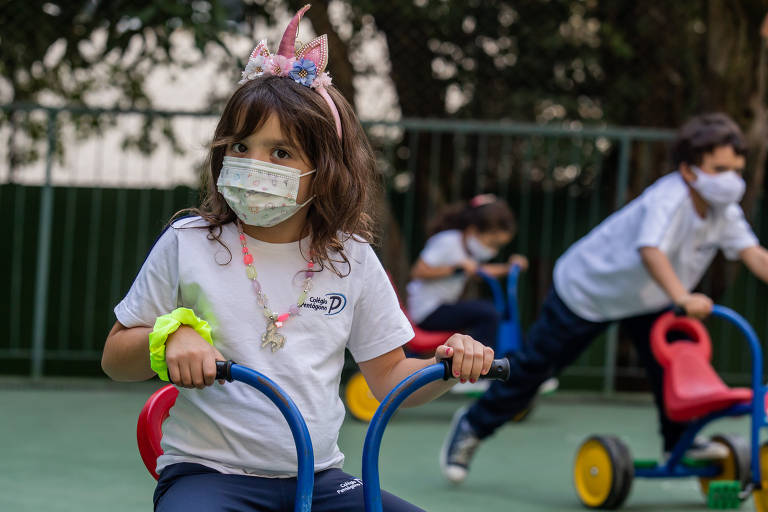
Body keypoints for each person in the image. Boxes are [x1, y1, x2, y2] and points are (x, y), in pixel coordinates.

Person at [100, 6, 494, 511]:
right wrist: (169, 337)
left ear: (325, 170)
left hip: (319, 478)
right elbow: (115, 358)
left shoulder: (350, 259)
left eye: (280, 153)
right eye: (240, 146)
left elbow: (391, 378)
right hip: (209, 475)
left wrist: (446, 365)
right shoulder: (189, 242)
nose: (252, 164)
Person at [440, 112, 768, 485]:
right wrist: (682, 296)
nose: (731, 181)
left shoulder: (724, 211)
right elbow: (650, 249)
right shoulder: (669, 197)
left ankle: (679, 443)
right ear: (689, 171)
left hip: (649, 299)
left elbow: (754, 254)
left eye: (737, 170)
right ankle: (472, 426)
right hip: (587, 291)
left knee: (674, 368)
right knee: (535, 369)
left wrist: (675, 296)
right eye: (720, 168)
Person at [407, 194, 528, 361]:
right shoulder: (448, 241)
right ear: (472, 231)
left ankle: (513, 361)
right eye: (492, 243)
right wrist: (455, 268)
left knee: (493, 312)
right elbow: (418, 271)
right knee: (487, 313)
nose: (493, 250)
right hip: (427, 312)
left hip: (443, 307)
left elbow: (480, 271)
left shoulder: (468, 249)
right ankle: (479, 369)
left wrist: (510, 268)